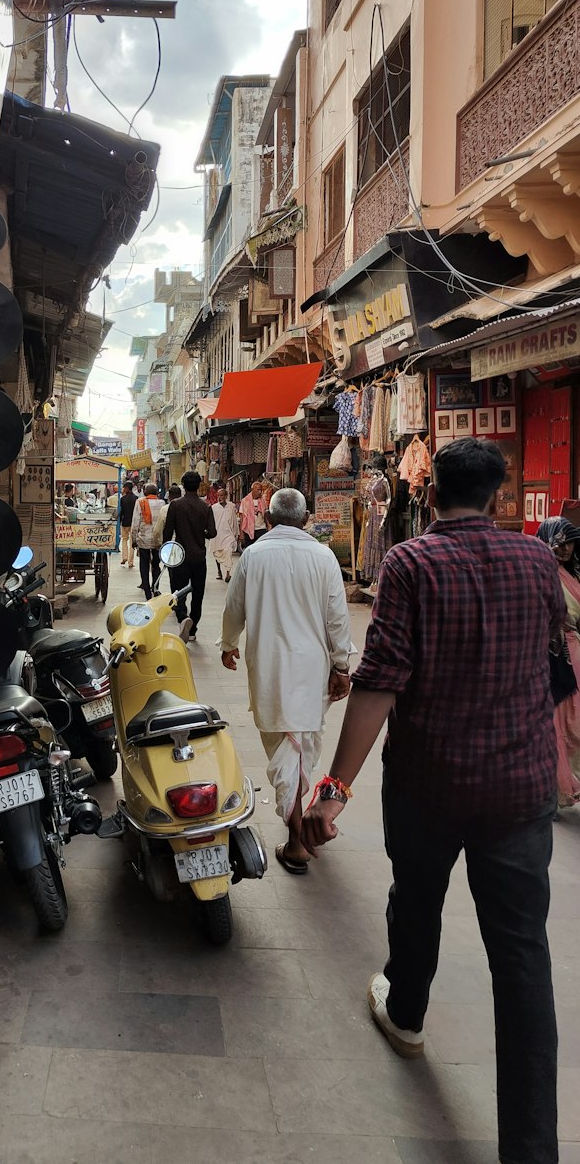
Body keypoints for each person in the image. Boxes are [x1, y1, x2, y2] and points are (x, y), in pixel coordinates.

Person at [301, 438, 565, 1164]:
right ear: (499, 496)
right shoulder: (540, 560)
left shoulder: (410, 563)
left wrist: (334, 790)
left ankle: (407, 1012)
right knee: (523, 956)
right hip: (519, 788)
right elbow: (555, 668)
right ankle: (532, 1150)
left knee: (416, 899)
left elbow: (380, 680)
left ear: (429, 491)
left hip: (429, 782)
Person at [220, 488, 351, 872]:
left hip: (271, 669)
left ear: (267, 519)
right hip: (313, 670)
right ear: (307, 519)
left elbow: (233, 607)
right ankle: (301, 831)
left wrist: (228, 644)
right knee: (299, 749)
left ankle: (297, 839)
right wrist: (342, 665)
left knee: (286, 751)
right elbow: (337, 617)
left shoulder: (254, 555)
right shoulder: (323, 556)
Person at [535, 517, 580, 806]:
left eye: (569, 542)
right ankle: (554, 790)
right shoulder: (539, 571)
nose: (564, 548)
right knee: (555, 723)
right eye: (559, 542)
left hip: (575, 651)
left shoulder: (574, 573)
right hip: (549, 656)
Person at [162, 471, 216, 642]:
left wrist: (166, 552)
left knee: (178, 591)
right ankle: (193, 630)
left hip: (179, 556)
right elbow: (212, 532)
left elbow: (167, 532)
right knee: (198, 594)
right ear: (199, 485)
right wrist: (202, 533)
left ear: (183, 486)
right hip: (199, 558)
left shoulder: (176, 505)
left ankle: (182, 617)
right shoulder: (205, 507)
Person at [131, 482, 166, 600]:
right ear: (157, 493)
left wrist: (133, 539)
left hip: (143, 539)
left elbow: (135, 522)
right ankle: (155, 588)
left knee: (144, 564)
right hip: (157, 540)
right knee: (156, 564)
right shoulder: (162, 503)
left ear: (145, 492)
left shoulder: (140, 502)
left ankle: (146, 588)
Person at [209, 485, 239, 582]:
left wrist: (236, 533)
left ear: (226, 496)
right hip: (217, 534)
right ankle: (219, 571)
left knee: (228, 551)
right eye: (219, 496)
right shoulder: (213, 508)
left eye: (222, 495)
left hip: (229, 535)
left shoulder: (231, 506)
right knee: (217, 552)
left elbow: (234, 520)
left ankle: (228, 573)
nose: (220, 497)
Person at [238, 481, 267, 549]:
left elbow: (265, 515)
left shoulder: (263, 501)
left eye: (261, 490)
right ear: (252, 490)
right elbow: (242, 517)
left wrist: (269, 527)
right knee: (249, 550)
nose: (260, 492)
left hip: (261, 529)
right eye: (258, 490)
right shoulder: (245, 501)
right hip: (248, 530)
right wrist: (241, 534)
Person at [118, 480, 136, 568]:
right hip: (133, 523)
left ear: (127, 488)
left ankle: (124, 557)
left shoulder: (122, 499)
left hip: (125, 522)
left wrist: (120, 520)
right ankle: (130, 562)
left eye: (124, 487)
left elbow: (121, 512)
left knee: (124, 540)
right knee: (132, 542)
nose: (123, 489)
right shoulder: (136, 499)